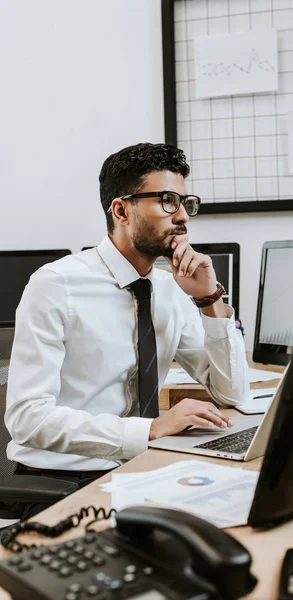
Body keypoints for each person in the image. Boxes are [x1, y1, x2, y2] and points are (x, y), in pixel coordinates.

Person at [5, 142, 250, 520]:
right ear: (121, 209)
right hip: (62, 483)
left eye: (185, 202)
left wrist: (209, 299)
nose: (182, 216)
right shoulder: (56, 285)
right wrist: (149, 430)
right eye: (168, 201)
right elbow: (27, 419)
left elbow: (232, 392)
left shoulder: (169, 288)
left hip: (141, 471)